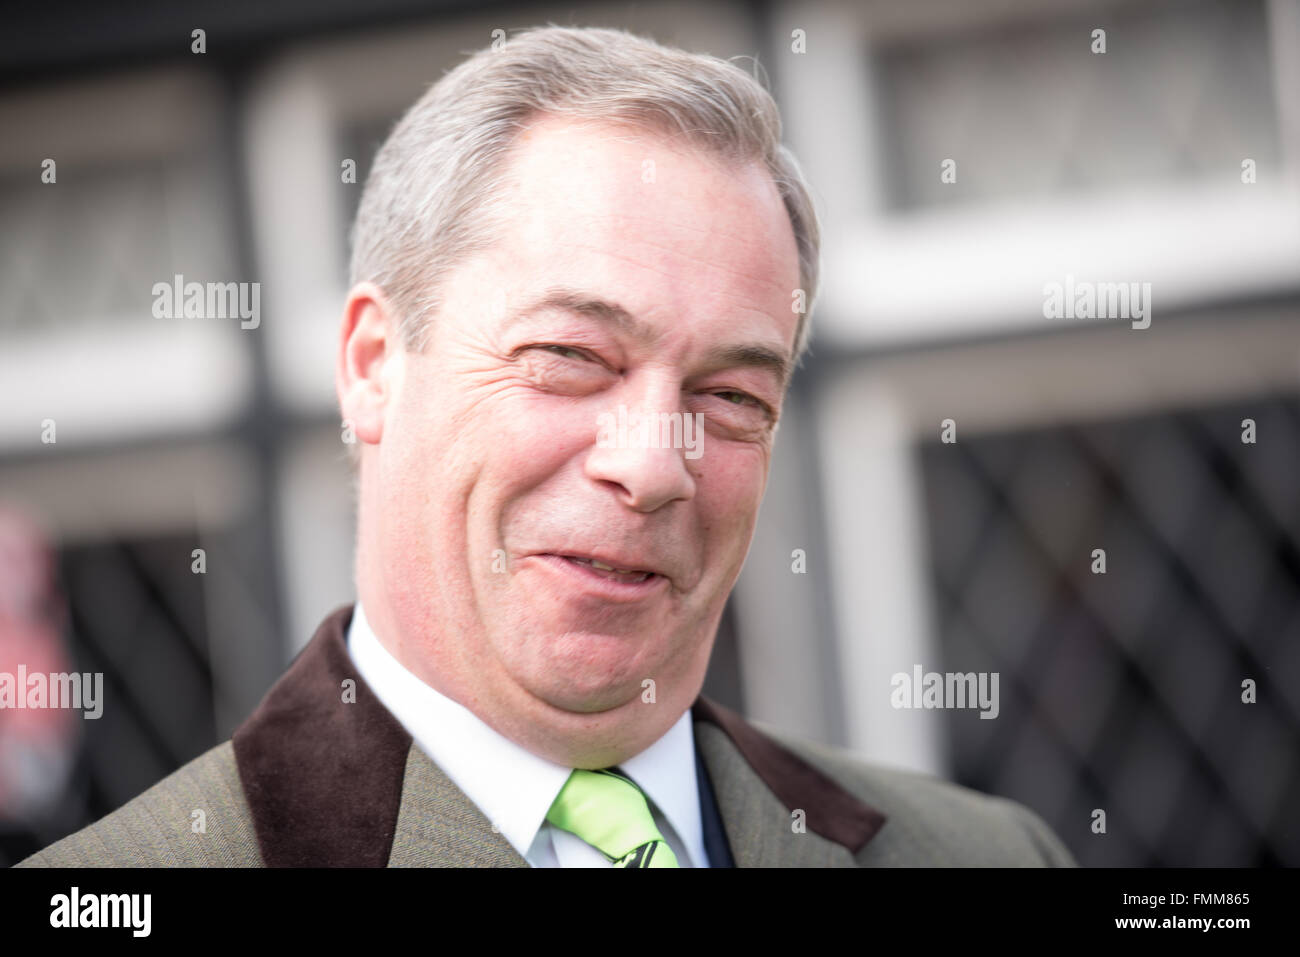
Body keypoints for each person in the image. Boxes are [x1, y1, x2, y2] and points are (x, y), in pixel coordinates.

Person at [18, 25, 1074, 868]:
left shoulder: (989, 855)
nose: (654, 464)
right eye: (572, 354)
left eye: (729, 395)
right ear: (373, 365)